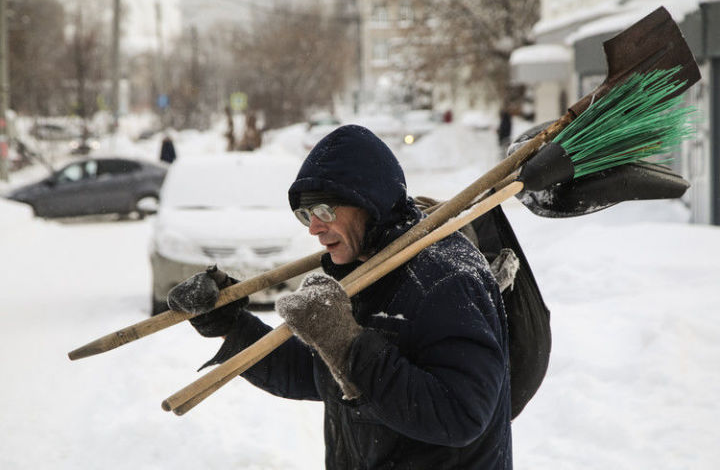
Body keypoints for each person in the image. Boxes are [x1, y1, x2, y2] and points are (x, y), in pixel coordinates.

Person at [168, 124, 513, 469]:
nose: (313, 228)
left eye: (324, 212)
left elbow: (461, 415)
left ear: (369, 203)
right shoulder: (362, 268)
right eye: (306, 214)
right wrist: (231, 324)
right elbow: (314, 373)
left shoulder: (447, 279)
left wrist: (347, 345)